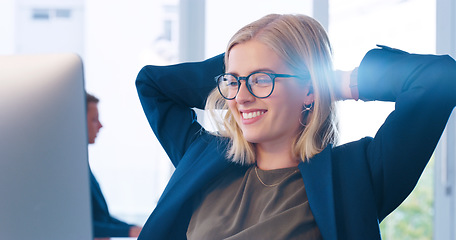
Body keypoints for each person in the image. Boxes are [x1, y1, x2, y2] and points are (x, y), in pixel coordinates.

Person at [135, 14, 456, 239]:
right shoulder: (204, 156)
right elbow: (152, 85)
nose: (241, 98)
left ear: (307, 88)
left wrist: (337, 83)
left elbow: (438, 78)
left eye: (262, 79)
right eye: (233, 81)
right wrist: (243, 67)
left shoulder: (356, 176)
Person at [86, 93, 142, 239]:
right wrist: (129, 231)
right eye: (94, 120)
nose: (100, 125)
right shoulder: (71, 171)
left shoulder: (83, 167)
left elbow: (102, 218)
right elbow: (80, 223)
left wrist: (134, 229)